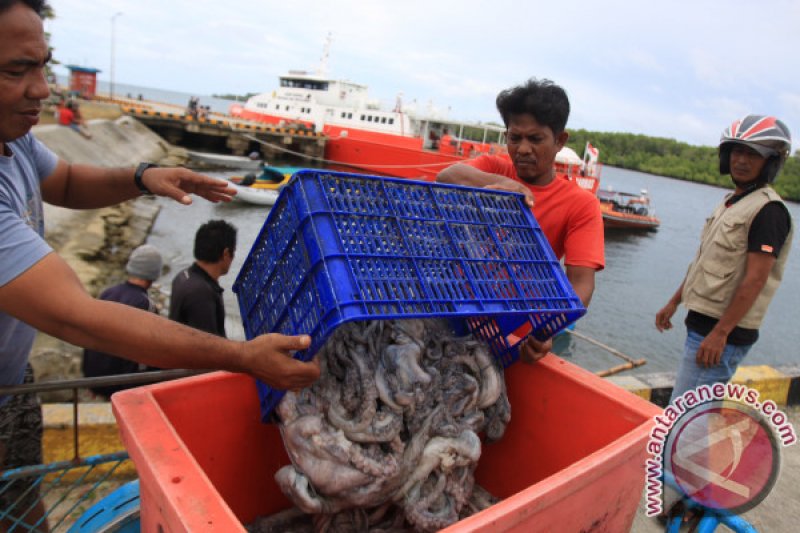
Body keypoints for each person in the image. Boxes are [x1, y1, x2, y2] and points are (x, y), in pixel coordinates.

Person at [0, 2, 319, 528]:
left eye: (43, 65)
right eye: (17, 70)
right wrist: (243, 356)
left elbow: (66, 181)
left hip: (14, 379)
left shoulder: (15, 141)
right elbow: (78, 317)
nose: (41, 88)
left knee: (25, 511)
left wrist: (144, 175)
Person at [436, 78, 604, 363]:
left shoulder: (581, 204)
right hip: (457, 305)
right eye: (515, 138)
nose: (523, 149)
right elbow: (447, 176)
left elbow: (581, 283)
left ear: (560, 141)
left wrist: (549, 328)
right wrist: (503, 183)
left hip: (512, 329)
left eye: (535, 139)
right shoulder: (493, 167)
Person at [656, 115, 793, 402]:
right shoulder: (732, 202)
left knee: (686, 416)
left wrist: (721, 333)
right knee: (690, 416)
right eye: (737, 151)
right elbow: (705, 260)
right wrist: (674, 301)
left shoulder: (769, 211)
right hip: (703, 325)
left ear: (770, 162)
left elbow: (755, 279)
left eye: (752, 154)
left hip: (721, 334)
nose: (741, 160)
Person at [82, 244, 163, 399]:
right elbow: (143, 355)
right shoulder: (145, 305)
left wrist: (89, 380)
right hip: (120, 387)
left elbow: (90, 338)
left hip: (96, 380)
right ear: (154, 274)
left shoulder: (107, 293)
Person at [169, 220, 236, 337]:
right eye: (233, 252)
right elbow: (207, 348)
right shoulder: (201, 293)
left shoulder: (183, 276)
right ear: (226, 253)